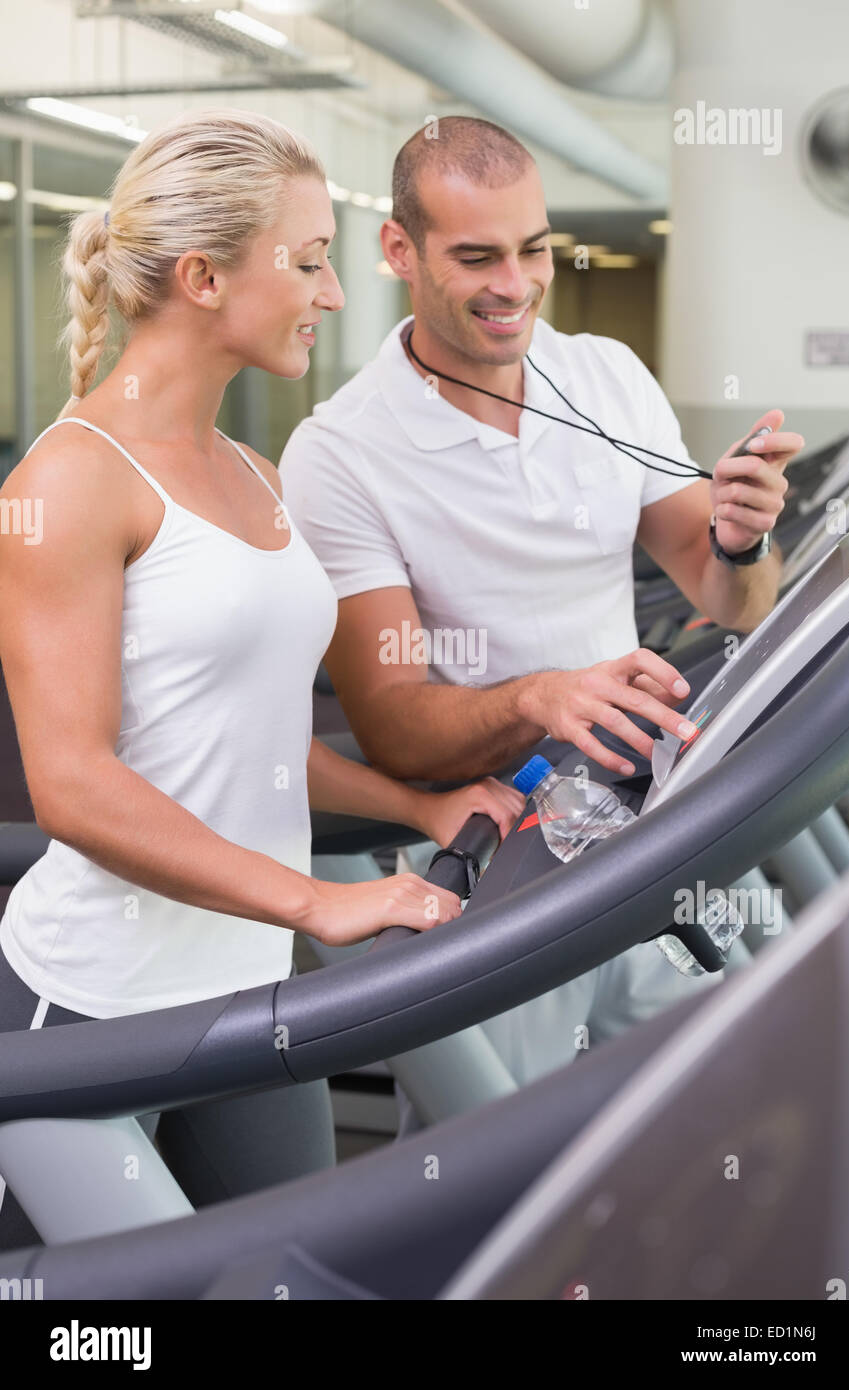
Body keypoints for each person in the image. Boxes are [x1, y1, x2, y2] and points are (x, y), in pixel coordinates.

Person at [0, 108, 522, 1250]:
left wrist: (417, 804)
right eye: (308, 260)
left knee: (293, 1278)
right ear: (200, 275)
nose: (333, 294)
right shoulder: (73, 480)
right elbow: (74, 788)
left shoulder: (253, 470)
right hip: (92, 1007)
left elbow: (244, 743)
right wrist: (319, 900)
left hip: (247, 992)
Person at [280, 116, 804, 1090]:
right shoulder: (339, 451)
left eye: (531, 250)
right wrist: (537, 698)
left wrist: (743, 536)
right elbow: (393, 726)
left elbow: (731, 598)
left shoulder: (602, 373)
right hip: (505, 859)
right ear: (399, 248)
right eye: (475, 257)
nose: (513, 285)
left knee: (728, 1101)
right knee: (514, 1161)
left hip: (643, 827)